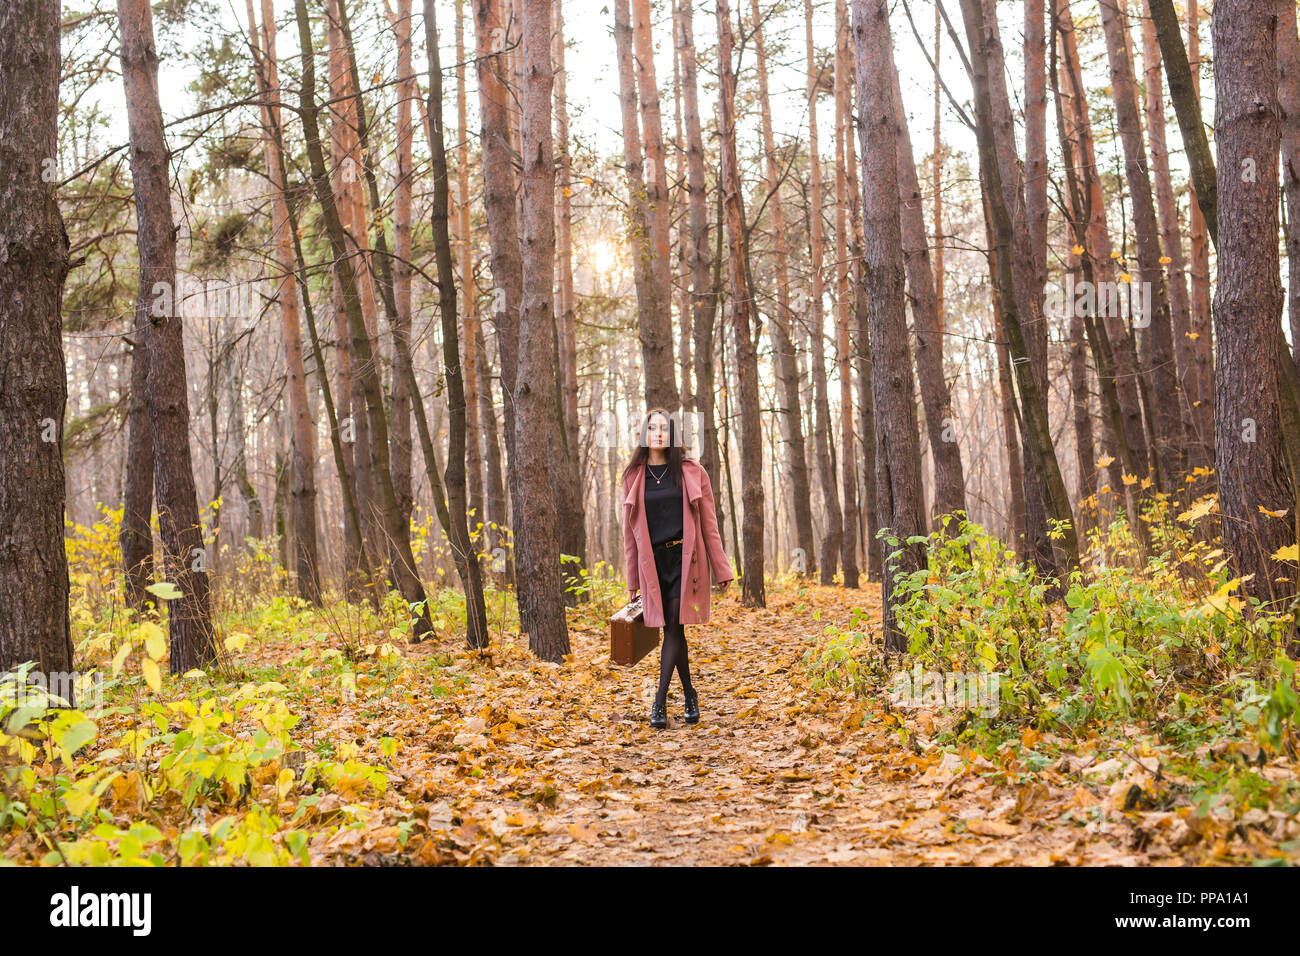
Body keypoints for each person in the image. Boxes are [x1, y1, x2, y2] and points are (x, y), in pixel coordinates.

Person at [621, 408, 734, 728]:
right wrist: (632, 580)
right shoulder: (633, 477)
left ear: (672, 435)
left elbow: (709, 525)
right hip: (652, 566)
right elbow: (629, 536)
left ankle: (658, 703)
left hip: (687, 562)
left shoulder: (691, 472)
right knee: (674, 630)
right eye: (652, 428)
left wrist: (722, 568)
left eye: (664, 429)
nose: (658, 434)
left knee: (673, 627)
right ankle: (690, 695)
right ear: (644, 434)